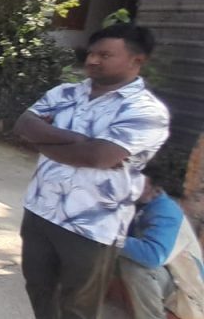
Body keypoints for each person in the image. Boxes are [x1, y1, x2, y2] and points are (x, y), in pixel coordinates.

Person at [14, 24, 170, 319]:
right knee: (39, 288)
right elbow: (23, 125)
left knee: (78, 307)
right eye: (91, 53)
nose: (93, 60)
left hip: (92, 225)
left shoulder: (145, 110)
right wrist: (80, 142)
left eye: (105, 55)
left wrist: (44, 140)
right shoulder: (66, 92)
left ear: (136, 60)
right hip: (40, 210)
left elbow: (98, 156)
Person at [118, 167, 204, 319]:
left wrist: (113, 239)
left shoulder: (166, 209)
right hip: (164, 279)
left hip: (184, 291)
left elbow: (153, 256)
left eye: (139, 181)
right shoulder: (138, 204)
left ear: (154, 187)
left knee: (136, 268)